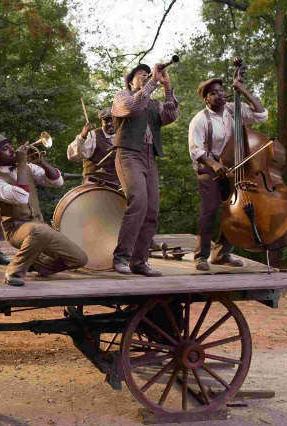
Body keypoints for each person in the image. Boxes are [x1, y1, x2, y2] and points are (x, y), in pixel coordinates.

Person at [0, 134, 88, 286]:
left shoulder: (29, 168)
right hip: (16, 229)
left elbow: (57, 182)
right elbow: (21, 197)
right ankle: (13, 272)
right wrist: (21, 164)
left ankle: (42, 266)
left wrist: (42, 162)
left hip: (39, 227)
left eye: (11, 146)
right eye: (5, 149)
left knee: (79, 259)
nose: (12, 150)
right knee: (40, 230)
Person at [188, 77, 267, 271]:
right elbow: (195, 150)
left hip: (234, 167)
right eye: (213, 93)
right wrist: (214, 164)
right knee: (210, 209)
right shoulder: (200, 119)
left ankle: (222, 254)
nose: (219, 95)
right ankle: (201, 256)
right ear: (206, 99)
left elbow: (262, 115)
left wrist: (243, 90)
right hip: (208, 168)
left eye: (221, 91)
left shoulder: (233, 110)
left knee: (234, 210)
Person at [111, 63, 179, 277]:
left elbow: (171, 116)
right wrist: (152, 83)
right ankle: (121, 257)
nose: (146, 76)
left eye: (147, 73)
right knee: (138, 201)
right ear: (130, 81)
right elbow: (132, 107)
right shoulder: (122, 96)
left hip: (150, 156)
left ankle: (139, 262)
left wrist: (167, 87)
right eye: (140, 74)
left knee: (151, 211)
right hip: (129, 154)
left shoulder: (154, 103)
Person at [66, 108, 119, 185]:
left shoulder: (122, 136)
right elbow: (71, 155)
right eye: (106, 121)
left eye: (113, 120)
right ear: (101, 122)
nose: (110, 123)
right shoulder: (93, 136)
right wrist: (82, 136)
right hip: (94, 183)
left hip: (117, 183)